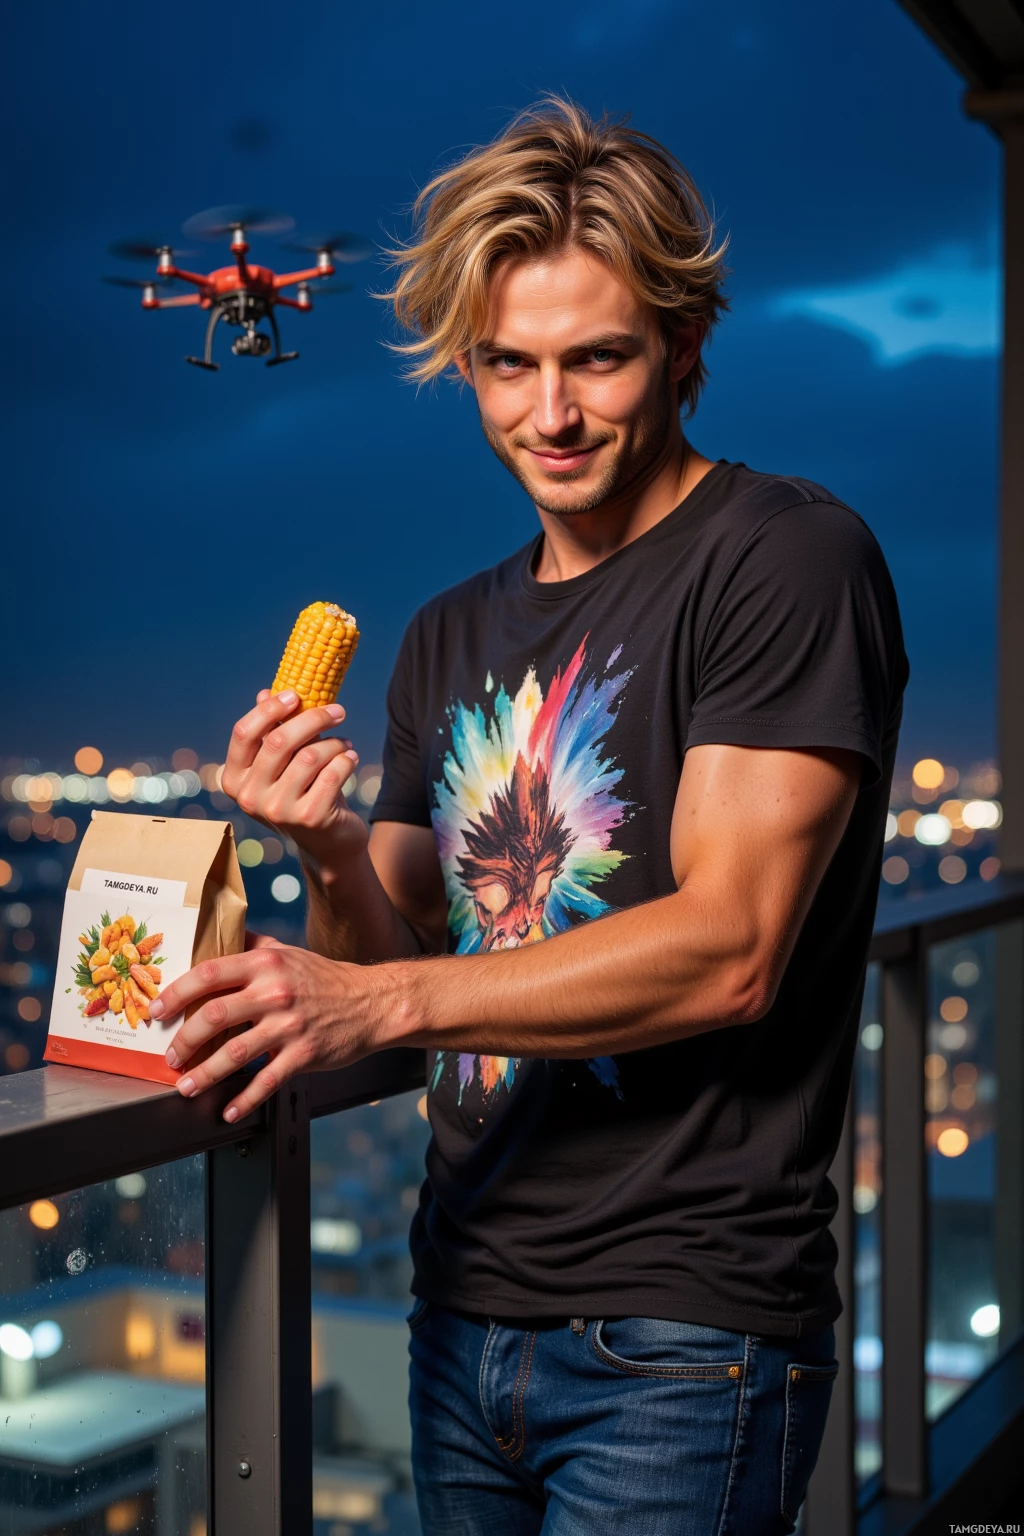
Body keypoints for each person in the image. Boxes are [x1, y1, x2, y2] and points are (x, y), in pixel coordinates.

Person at [151, 98, 908, 1534]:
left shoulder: (786, 560)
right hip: (460, 1307)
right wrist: (316, 843)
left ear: (685, 349)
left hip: (684, 1336)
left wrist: (375, 1008)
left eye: (598, 360)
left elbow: (732, 947)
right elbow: (377, 944)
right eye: (507, 366)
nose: (548, 414)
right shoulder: (446, 635)